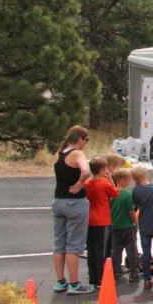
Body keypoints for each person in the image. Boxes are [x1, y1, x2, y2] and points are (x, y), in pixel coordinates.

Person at [52, 125, 94, 295]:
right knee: (74, 245)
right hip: (74, 203)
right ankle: (74, 284)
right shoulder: (77, 153)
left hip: (58, 201)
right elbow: (86, 170)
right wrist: (80, 183)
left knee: (59, 243)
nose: (86, 143)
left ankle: (60, 281)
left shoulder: (60, 153)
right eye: (86, 140)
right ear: (79, 139)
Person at [84, 156, 119, 287]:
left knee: (92, 249)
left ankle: (93, 277)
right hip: (102, 220)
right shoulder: (104, 183)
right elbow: (116, 194)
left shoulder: (87, 183)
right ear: (102, 170)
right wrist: (110, 179)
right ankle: (101, 277)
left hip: (90, 219)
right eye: (105, 169)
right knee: (102, 250)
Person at [132, 165, 153, 290]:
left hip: (144, 224)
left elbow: (137, 206)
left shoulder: (136, 191)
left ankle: (147, 280)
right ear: (144, 174)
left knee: (146, 252)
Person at [110, 168, 139, 281]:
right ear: (121, 180)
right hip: (127, 226)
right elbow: (131, 212)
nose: (129, 182)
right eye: (128, 180)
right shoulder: (127, 195)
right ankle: (134, 272)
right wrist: (136, 223)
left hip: (115, 226)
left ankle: (115, 269)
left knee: (116, 250)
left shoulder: (112, 194)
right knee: (131, 249)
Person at [103, 153, 128, 260]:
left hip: (109, 214)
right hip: (108, 215)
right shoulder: (108, 179)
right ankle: (107, 263)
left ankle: (108, 262)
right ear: (111, 166)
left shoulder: (109, 177)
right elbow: (116, 194)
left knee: (110, 241)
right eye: (119, 168)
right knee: (109, 241)